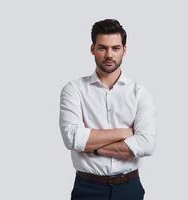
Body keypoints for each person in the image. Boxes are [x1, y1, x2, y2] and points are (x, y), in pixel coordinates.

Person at [59, 19, 157, 200]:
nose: (109, 54)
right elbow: (72, 138)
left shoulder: (140, 93)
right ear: (92, 49)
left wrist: (93, 148)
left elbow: (146, 144)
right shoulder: (74, 90)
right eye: (102, 48)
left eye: (115, 48)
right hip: (87, 188)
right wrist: (124, 132)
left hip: (129, 188)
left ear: (124, 50)